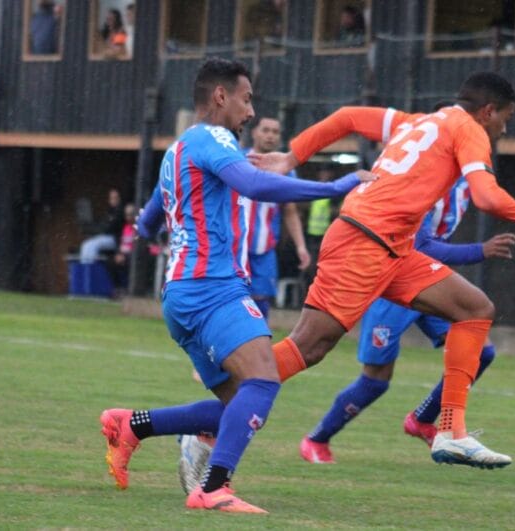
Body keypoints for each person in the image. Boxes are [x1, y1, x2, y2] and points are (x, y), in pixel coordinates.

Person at [247, 72, 515, 469]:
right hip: (364, 242)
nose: (506, 126)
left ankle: (451, 432)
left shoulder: (416, 120)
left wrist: (292, 156)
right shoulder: (470, 129)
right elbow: (486, 197)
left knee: (475, 309)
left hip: (393, 248)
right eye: (507, 116)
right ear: (488, 111)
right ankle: (212, 417)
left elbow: (348, 117)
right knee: (310, 347)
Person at [98, 57, 375, 514]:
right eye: (246, 100)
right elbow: (252, 184)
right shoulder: (214, 137)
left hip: (182, 293)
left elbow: (149, 220)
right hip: (212, 287)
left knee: (239, 408)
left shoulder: (177, 151)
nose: (250, 112)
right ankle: (212, 489)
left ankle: (131, 425)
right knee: (264, 382)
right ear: (220, 97)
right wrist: (333, 187)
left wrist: (170, 230)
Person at [300, 176, 515, 463]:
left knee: (481, 351)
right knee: (376, 379)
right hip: (394, 280)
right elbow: (421, 245)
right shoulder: (425, 175)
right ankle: (316, 439)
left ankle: (422, 419)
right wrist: (480, 250)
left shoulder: (467, 178)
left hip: (431, 280)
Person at [245, 116, 310, 320]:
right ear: (254, 132)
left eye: (275, 132)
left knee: (261, 302)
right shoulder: (237, 160)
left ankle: (256, 345)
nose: (270, 135)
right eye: (265, 130)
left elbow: (290, 210)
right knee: (229, 299)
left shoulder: (286, 171)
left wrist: (301, 246)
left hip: (264, 249)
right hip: (233, 247)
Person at [302, 168, 336, 293]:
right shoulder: (315, 191)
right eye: (322, 172)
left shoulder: (334, 193)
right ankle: (307, 294)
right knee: (310, 267)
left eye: (326, 172)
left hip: (326, 237)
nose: (324, 175)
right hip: (311, 235)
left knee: (322, 267)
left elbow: (337, 211)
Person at [79, 188, 123, 264]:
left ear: (120, 198)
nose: (114, 200)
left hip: (117, 239)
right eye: (112, 198)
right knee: (86, 245)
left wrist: (105, 226)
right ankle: (86, 268)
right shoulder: (110, 211)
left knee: (94, 245)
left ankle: (91, 267)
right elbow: (104, 225)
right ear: (109, 200)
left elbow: (110, 227)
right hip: (106, 237)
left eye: (116, 198)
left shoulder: (121, 210)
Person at [109, 203, 137, 296]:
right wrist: (118, 254)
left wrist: (126, 255)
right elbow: (120, 243)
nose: (128, 217)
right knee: (111, 262)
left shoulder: (138, 228)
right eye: (126, 214)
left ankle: (129, 289)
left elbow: (138, 247)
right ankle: (117, 288)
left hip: (133, 256)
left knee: (129, 263)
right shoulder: (124, 227)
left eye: (130, 214)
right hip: (123, 254)